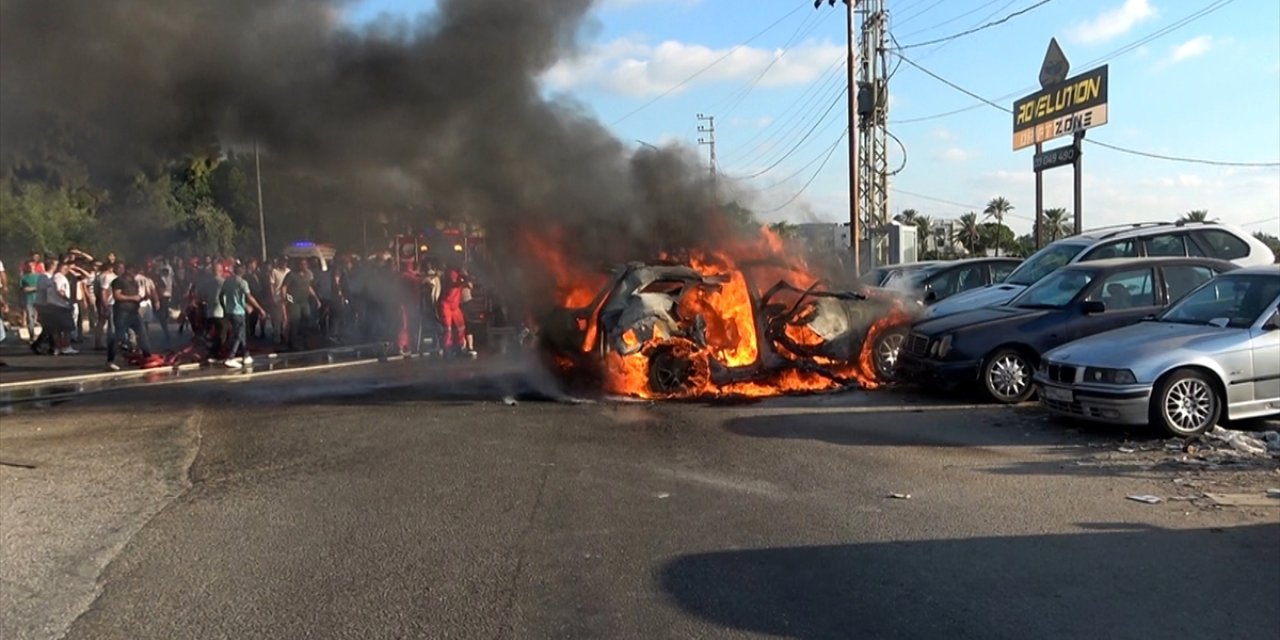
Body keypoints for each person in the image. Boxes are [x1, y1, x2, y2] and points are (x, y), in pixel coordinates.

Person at [219, 263, 266, 368]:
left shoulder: (228, 281)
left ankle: (246, 355)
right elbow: (249, 297)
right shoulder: (242, 282)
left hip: (230, 311)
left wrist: (224, 308)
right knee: (238, 335)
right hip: (238, 312)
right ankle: (231, 357)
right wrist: (260, 309)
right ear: (241, 271)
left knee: (242, 333)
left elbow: (221, 296)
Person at [106, 262, 151, 370]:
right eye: (134, 271)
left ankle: (147, 357)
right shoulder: (118, 281)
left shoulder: (134, 282)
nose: (136, 274)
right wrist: (132, 298)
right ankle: (110, 361)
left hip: (134, 312)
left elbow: (136, 297)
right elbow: (117, 296)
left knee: (142, 334)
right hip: (122, 312)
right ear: (128, 271)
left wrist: (143, 298)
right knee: (119, 337)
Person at [281, 260, 319, 351]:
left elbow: (309, 287)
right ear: (299, 265)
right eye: (302, 264)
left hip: (304, 302)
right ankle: (292, 343)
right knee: (295, 322)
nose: (304, 266)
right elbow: (284, 287)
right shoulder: (291, 275)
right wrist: (287, 299)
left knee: (306, 322)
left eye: (306, 264)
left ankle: (305, 342)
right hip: (294, 302)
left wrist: (316, 298)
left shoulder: (308, 275)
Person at [196, 262, 227, 360]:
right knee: (222, 333)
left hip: (209, 311)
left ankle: (212, 350)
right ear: (220, 271)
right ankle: (216, 352)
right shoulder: (223, 282)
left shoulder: (206, 283)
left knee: (212, 333)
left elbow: (200, 296)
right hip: (220, 311)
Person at [438, 268, 470, 357]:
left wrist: (466, 278)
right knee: (448, 328)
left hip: (455, 305)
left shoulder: (460, 273)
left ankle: (460, 346)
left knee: (461, 326)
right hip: (446, 304)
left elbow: (467, 284)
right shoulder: (451, 273)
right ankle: (446, 348)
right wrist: (465, 278)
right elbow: (454, 284)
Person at [19, 261, 41, 341]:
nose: (30, 267)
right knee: (30, 319)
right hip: (29, 301)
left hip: (39, 300)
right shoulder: (24, 278)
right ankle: (32, 336)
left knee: (37, 319)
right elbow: (24, 289)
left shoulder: (39, 276)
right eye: (29, 266)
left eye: (32, 265)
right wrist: (35, 288)